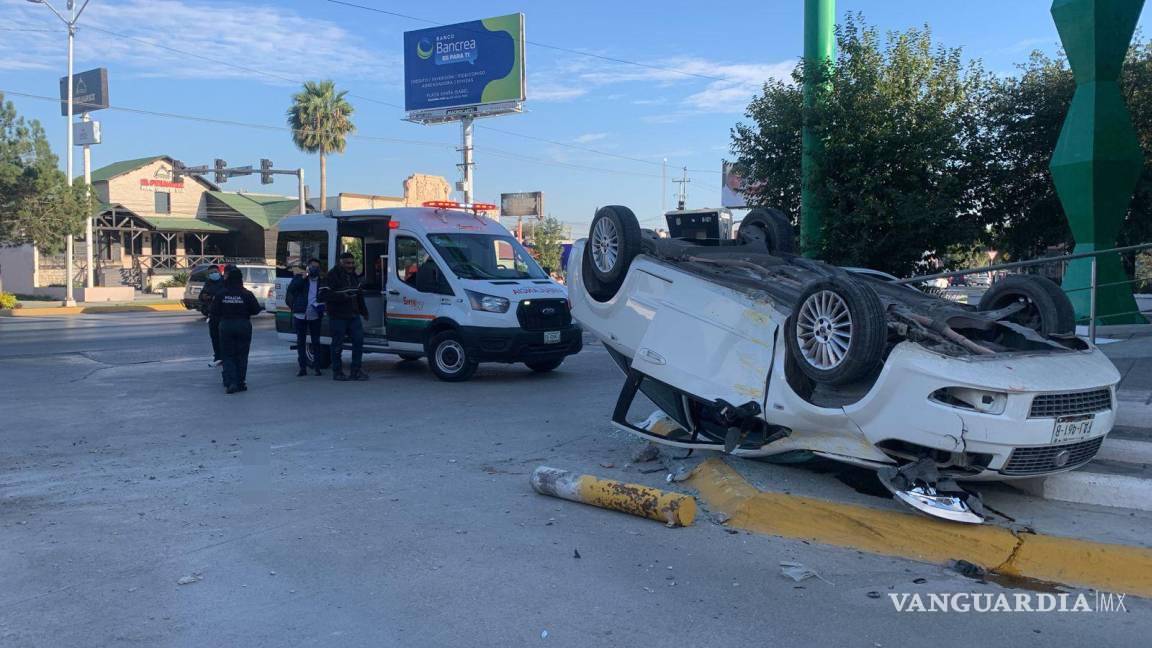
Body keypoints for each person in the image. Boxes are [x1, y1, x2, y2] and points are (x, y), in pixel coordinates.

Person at [210, 268, 263, 394]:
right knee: (242, 355)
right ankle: (240, 382)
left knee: (228, 355)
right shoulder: (247, 294)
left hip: (226, 325)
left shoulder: (221, 294)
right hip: (243, 325)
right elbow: (256, 309)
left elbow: (214, 311)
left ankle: (231, 382)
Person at [323, 252, 369, 381]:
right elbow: (323, 295)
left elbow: (359, 295)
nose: (351, 266)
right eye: (348, 263)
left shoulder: (354, 276)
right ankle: (337, 372)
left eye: (352, 263)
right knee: (337, 345)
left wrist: (364, 311)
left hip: (354, 315)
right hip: (338, 316)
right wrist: (342, 296)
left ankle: (356, 371)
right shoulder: (331, 275)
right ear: (341, 263)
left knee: (359, 342)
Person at [285, 258, 325, 377]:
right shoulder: (300, 278)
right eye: (312, 267)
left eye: (316, 267)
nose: (314, 269)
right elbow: (292, 289)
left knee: (316, 342)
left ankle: (317, 367)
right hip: (300, 314)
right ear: (307, 267)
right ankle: (302, 368)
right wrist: (304, 277)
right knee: (301, 342)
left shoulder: (321, 281)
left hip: (315, 314)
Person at [198, 265, 226, 367]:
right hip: (212, 315)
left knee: (224, 337)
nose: (213, 274)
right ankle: (218, 357)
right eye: (210, 273)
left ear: (219, 272)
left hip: (223, 315)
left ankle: (225, 357)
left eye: (214, 272)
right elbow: (201, 297)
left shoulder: (225, 282)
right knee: (214, 338)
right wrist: (205, 297)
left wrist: (212, 297)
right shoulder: (208, 283)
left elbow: (222, 296)